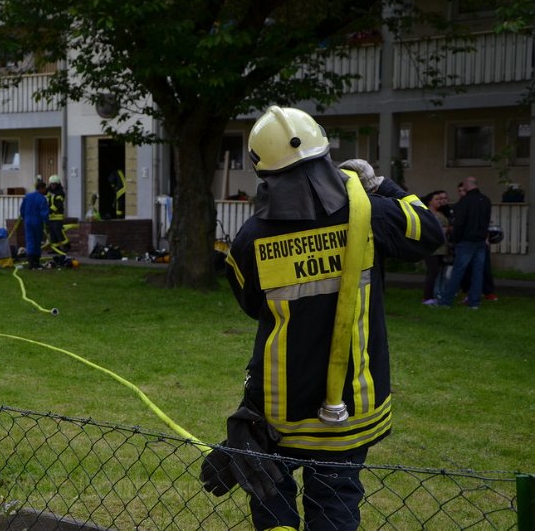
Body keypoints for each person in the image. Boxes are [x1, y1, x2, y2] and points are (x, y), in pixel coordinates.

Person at [199, 106, 443, 531]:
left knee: (269, 491)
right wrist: (381, 184)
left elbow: (252, 305)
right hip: (352, 408)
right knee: (334, 503)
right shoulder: (370, 214)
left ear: (262, 169)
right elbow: (429, 231)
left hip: (279, 410)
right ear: (324, 153)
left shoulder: (250, 240)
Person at [438, 177, 492, 309]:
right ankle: (474, 302)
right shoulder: (486, 200)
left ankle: (446, 301)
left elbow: (459, 223)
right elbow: (487, 221)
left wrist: (456, 238)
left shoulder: (465, 202)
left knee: (458, 272)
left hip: (466, 241)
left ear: (467, 186)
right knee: (478, 273)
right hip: (480, 241)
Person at [421, 190, 451, 304]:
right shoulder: (427, 213)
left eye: (440, 199)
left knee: (439, 272)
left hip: (441, 248)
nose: (439, 201)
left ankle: (436, 294)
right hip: (431, 248)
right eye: (436, 199)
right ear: (430, 201)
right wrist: (445, 230)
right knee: (432, 272)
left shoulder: (441, 213)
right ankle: (427, 297)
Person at [20, 181, 50, 269]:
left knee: (30, 240)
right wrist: (48, 223)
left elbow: (22, 209)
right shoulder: (42, 198)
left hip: (28, 221)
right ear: (41, 188)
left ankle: (30, 261)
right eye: (45, 189)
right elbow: (44, 213)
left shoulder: (28, 196)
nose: (45, 191)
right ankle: (36, 261)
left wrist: (24, 218)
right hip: (37, 222)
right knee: (37, 241)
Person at [46, 175, 69, 253]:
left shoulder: (60, 193)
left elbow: (58, 204)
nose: (53, 186)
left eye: (54, 184)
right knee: (52, 233)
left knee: (58, 231)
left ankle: (67, 246)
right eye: (52, 184)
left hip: (57, 216)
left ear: (58, 184)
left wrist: (50, 210)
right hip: (50, 217)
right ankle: (55, 249)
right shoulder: (49, 191)